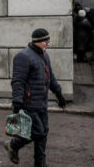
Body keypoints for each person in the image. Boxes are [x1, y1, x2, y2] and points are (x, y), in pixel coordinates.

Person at [5, 28, 66, 167]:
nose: (48, 43)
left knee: (44, 133)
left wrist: (59, 94)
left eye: (48, 40)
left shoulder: (45, 56)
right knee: (38, 131)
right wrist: (17, 103)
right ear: (37, 41)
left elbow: (50, 78)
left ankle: (40, 163)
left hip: (41, 103)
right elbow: (17, 82)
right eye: (46, 41)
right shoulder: (23, 56)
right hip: (28, 103)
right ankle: (13, 145)